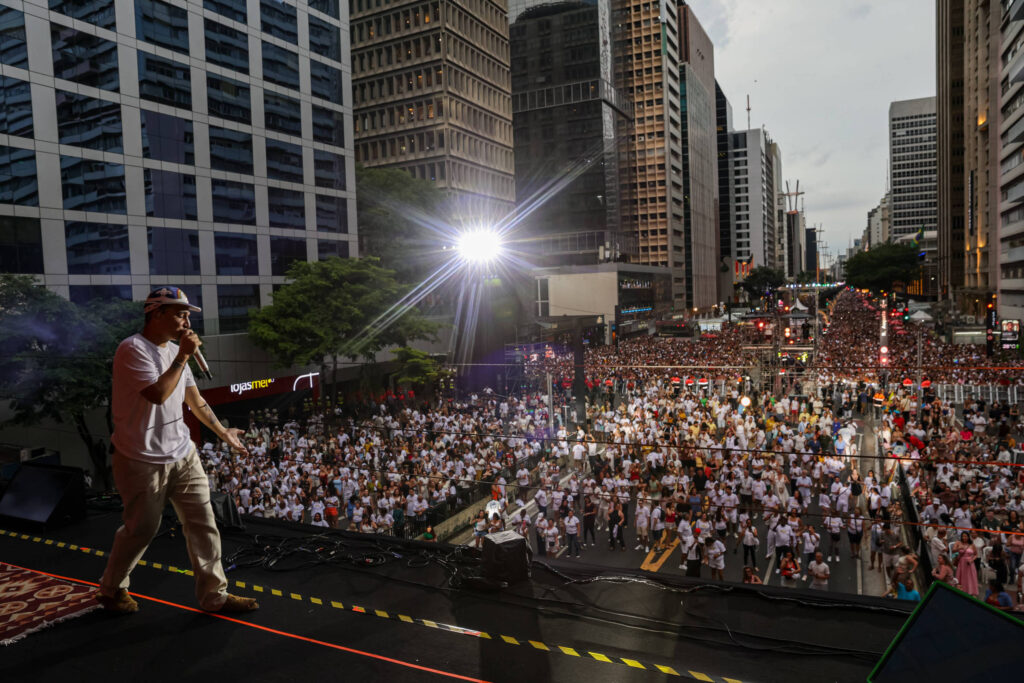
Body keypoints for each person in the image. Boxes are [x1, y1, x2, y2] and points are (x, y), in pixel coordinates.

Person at [97, 287, 257, 614]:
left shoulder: (174, 349)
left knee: (204, 523)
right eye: (180, 313)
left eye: (187, 315)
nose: (186, 321)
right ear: (157, 314)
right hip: (141, 459)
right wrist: (183, 355)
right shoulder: (132, 350)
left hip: (183, 454)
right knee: (141, 529)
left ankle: (215, 596)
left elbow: (193, 399)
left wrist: (222, 430)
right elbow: (156, 394)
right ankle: (112, 588)